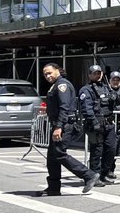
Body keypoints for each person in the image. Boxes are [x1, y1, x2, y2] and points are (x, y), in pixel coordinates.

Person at [39, 62, 97, 196]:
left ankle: (88, 175)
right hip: (59, 124)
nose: (47, 76)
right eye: (45, 74)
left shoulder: (61, 85)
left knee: (59, 153)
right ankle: (53, 187)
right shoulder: (56, 85)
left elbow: (64, 107)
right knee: (52, 157)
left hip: (64, 125)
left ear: (57, 71)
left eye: (50, 73)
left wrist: (59, 127)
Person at [79, 64, 113, 185]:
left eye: (99, 73)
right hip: (96, 124)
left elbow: (113, 103)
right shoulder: (86, 90)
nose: (97, 75)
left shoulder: (106, 87)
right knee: (97, 151)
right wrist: (94, 122)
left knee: (110, 149)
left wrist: (115, 97)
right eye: (95, 73)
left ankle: (104, 174)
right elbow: (87, 109)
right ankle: (94, 175)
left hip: (109, 123)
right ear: (90, 75)